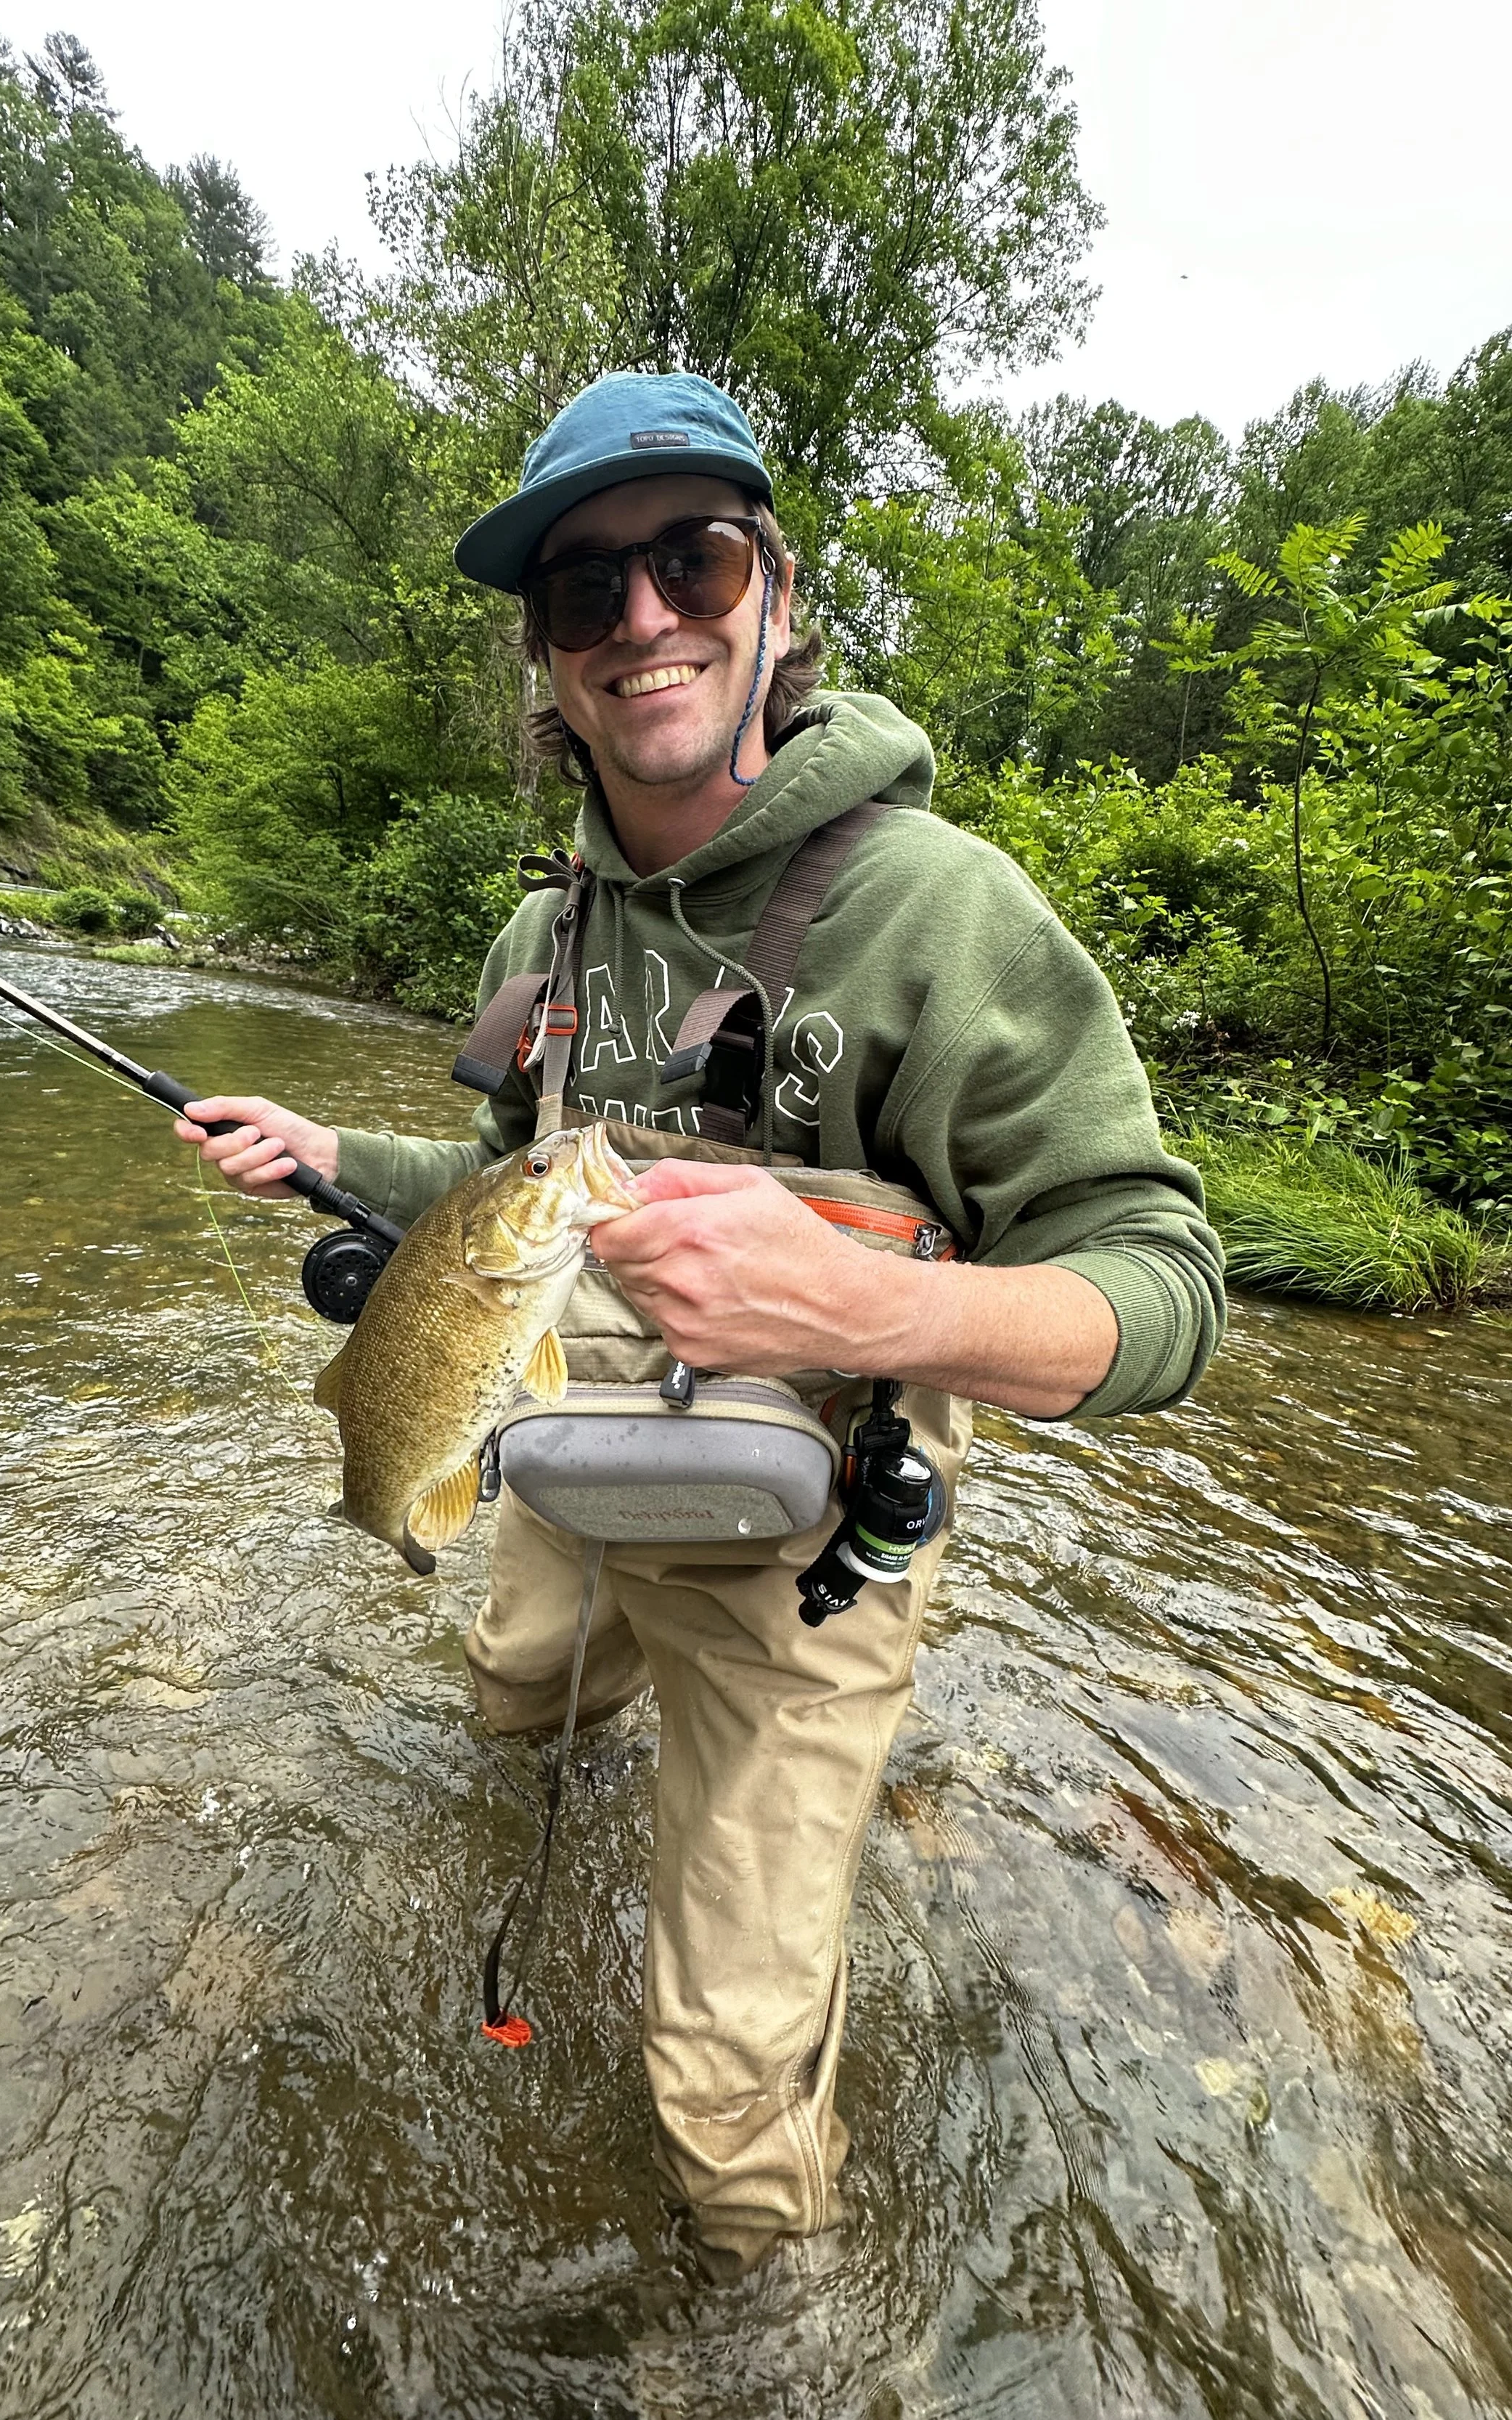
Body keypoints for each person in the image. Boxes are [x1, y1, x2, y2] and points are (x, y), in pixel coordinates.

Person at [174, 372, 1225, 2279]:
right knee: (510, 1708)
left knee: (719, 2088)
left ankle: (767, 2328)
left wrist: (858, 1296)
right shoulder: (537, 938)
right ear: (551, 663)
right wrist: (334, 1152)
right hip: (572, 1454)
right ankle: (572, 1748)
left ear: (775, 592)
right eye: (587, 592)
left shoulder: (939, 914)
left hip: (800, 1539)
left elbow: (1164, 1286)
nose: (642, 615)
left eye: (692, 557)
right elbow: (503, 1174)